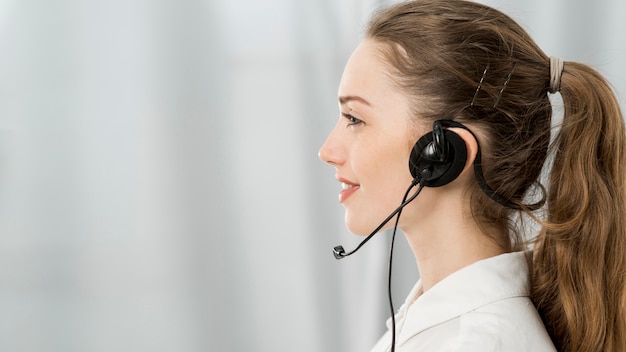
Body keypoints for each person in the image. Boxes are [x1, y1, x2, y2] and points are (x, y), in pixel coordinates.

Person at [318, 0, 626, 351]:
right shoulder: (437, 323)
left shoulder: (475, 342)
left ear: (444, 151)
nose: (327, 151)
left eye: (355, 119)